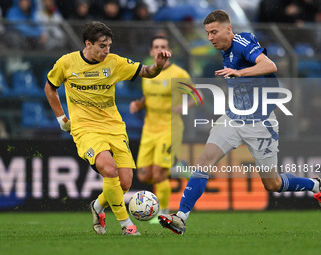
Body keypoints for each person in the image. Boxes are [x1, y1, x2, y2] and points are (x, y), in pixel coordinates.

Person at [158, 9, 321, 235]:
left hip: (261, 123)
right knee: (204, 161)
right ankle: (181, 217)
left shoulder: (243, 42)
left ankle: (315, 185)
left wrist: (239, 73)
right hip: (233, 118)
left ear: (229, 29)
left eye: (214, 32)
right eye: (207, 33)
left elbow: (270, 65)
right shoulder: (225, 50)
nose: (210, 38)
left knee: (272, 184)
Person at [44, 21, 171, 235]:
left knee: (124, 183)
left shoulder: (114, 62)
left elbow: (147, 72)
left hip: (114, 127)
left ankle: (97, 206)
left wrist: (158, 66)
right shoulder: (67, 63)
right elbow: (50, 87)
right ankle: (126, 225)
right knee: (108, 168)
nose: (107, 50)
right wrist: (61, 119)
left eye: (109, 45)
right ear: (88, 43)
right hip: (85, 128)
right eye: (102, 46)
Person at [129, 36, 197, 223]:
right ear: (151, 52)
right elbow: (148, 98)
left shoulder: (179, 74)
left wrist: (183, 107)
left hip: (169, 128)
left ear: (169, 52)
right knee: (144, 175)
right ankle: (177, 167)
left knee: (159, 174)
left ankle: (163, 212)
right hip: (149, 129)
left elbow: (197, 97)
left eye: (163, 46)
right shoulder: (147, 73)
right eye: (156, 46)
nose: (159, 49)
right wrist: (139, 104)